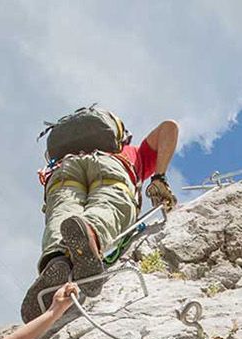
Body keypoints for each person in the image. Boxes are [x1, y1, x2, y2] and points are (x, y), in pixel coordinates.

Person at [20, 106, 179, 321]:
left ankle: (57, 259)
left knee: (63, 211)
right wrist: (159, 177)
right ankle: (91, 234)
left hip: (63, 170)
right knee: (108, 205)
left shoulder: (66, 153)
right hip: (112, 168)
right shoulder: (130, 153)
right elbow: (169, 127)